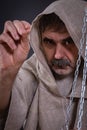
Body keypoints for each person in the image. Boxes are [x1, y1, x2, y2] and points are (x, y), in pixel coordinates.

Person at [0, 0, 87, 130]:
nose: (58, 55)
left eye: (68, 41)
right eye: (49, 41)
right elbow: (5, 108)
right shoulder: (34, 68)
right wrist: (6, 73)